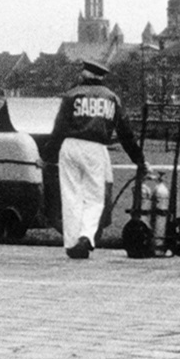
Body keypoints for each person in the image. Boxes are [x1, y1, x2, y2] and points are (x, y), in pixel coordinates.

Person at [44, 58, 148, 260]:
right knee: (94, 197)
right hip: (96, 148)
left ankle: (72, 243)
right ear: (101, 77)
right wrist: (139, 160)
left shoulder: (71, 96)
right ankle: (86, 237)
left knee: (71, 195)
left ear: (84, 74)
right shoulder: (112, 99)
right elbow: (126, 134)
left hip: (70, 146)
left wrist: (47, 157)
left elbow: (58, 130)